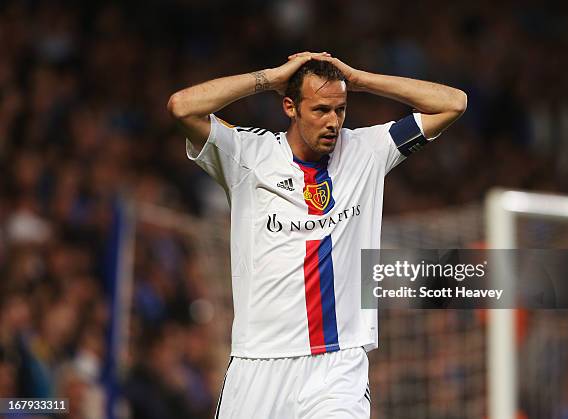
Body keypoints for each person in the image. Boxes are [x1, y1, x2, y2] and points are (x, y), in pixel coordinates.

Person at [167, 51, 466, 419]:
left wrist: (360, 80)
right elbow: (182, 107)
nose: (333, 122)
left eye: (340, 110)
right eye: (320, 110)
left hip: (337, 366)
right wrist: (271, 77)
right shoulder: (247, 155)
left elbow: (453, 104)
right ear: (290, 107)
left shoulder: (367, 151)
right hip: (259, 361)